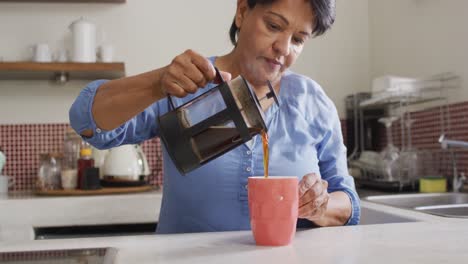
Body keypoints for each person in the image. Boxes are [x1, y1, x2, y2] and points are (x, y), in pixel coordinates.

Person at [70, 0, 360, 233]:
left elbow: (348, 201)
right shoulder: (184, 82)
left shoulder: (313, 102)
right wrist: (157, 83)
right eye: (273, 25)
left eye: (298, 39)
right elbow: (88, 123)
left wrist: (321, 206)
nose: (284, 48)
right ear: (242, 11)